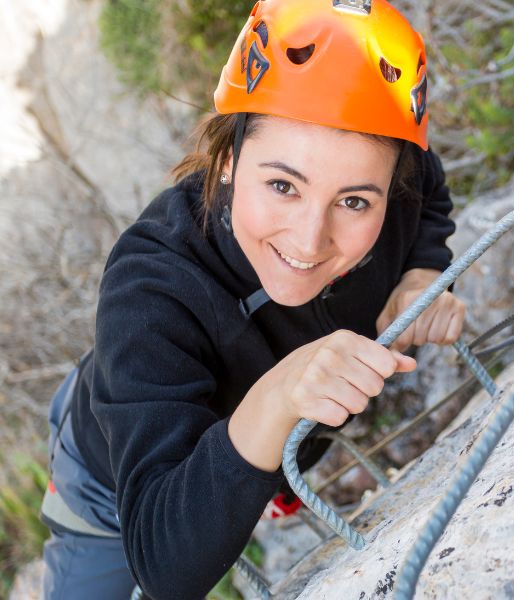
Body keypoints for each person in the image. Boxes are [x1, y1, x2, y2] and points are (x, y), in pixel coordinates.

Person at [39, 0, 464, 598]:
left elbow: (431, 194)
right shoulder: (153, 287)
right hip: (111, 468)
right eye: (283, 185)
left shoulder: (398, 184)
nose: (310, 240)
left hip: (251, 439)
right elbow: (164, 564)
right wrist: (280, 398)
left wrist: (420, 275)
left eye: (354, 202)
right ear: (230, 159)